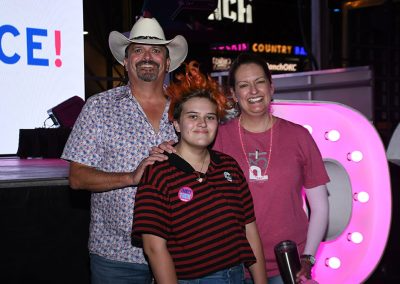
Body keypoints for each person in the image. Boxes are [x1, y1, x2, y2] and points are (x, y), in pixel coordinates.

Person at [153, 53, 329, 283]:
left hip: (289, 264)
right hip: (230, 265)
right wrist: (167, 150)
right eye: (244, 85)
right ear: (234, 95)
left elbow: (321, 206)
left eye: (260, 82)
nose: (253, 91)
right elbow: (186, 154)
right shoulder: (215, 135)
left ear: (272, 87)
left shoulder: (299, 136)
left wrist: (309, 258)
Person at [61, 17, 188, 283]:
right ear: (126, 61)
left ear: (167, 62)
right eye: (138, 50)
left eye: (156, 51)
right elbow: (77, 178)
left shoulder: (187, 109)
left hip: (180, 251)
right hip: (116, 256)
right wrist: (131, 177)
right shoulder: (98, 107)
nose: (147, 57)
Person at [132, 61, 268, 283]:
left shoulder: (229, 167)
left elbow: (250, 231)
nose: (202, 123)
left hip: (237, 276)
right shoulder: (158, 172)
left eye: (210, 117)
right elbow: (154, 248)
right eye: (193, 116)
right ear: (176, 123)